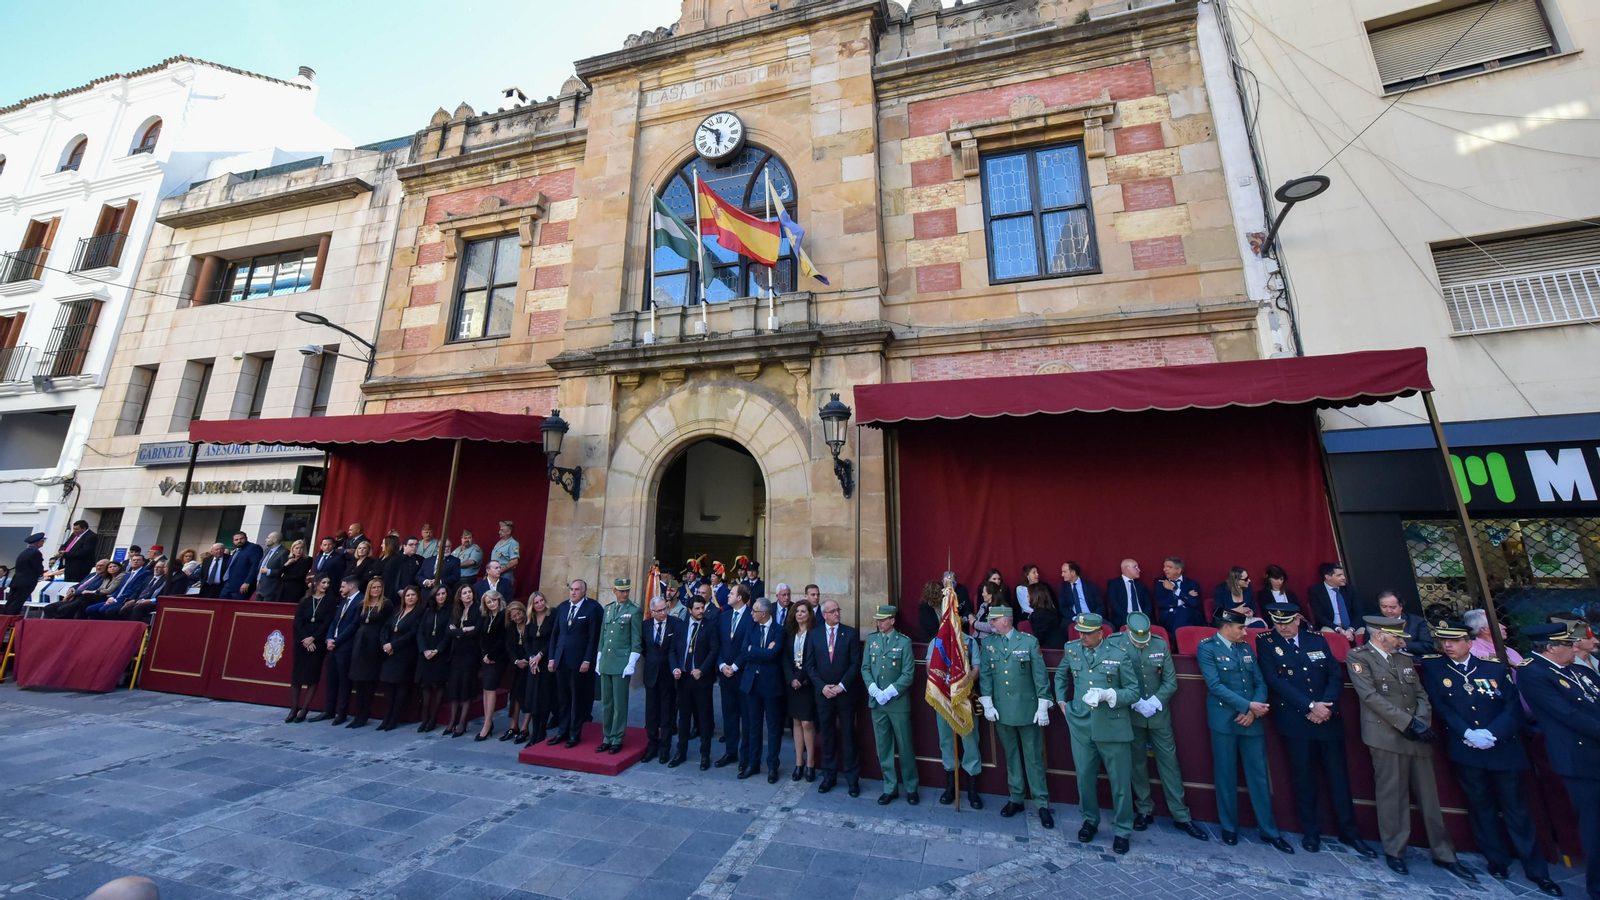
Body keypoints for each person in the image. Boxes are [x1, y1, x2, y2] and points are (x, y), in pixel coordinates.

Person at [1420, 620, 1559, 894]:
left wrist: (1492, 734)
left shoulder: (1493, 667)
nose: (1448, 645)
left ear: (1469, 643)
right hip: (1466, 746)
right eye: (1444, 641)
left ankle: (1536, 868)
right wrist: (1467, 733)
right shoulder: (1435, 668)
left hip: (1502, 747)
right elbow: (1442, 706)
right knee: (1480, 805)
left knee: (1516, 808)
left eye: (1454, 640)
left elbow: (1512, 707)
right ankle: (1496, 859)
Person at [1347, 615, 1473, 880]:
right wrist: (1408, 723)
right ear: (1379, 635)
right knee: (1392, 796)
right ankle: (1395, 851)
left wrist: (1421, 722)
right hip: (1386, 735)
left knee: (1430, 797)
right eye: (1396, 636)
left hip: (1417, 735)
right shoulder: (1359, 657)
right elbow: (1370, 696)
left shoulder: (1404, 659)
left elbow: (1420, 694)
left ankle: (1444, 853)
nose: (1400, 641)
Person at [1256, 602, 1374, 856]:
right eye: (1277, 623)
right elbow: (1274, 679)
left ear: (1298, 619)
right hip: (1297, 719)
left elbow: (1334, 675)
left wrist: (1326, 706)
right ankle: (1311, 831)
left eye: (1287, 622)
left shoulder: (1316, 640)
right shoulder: (1266, 642)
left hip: (1328, 718)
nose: (1282, 628)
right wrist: (1310, 706)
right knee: (1304, 779)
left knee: (1338, 778)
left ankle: (1349, 832)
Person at [1196, 608, 1293, 852]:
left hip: (1252, 719)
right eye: (1241, 628)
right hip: (1224, 720)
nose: (1245, 632)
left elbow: (1260, 682)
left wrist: (1253, 710)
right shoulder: (1207, 648)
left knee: (1259, 776)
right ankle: (1229, 827)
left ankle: (1269, 830)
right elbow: (1215, 685)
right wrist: (1247, 706)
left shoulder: (1246, 648)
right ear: (1226, 627)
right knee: (1225, 774)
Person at [1519, 622, 1600, 900]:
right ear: (1551, 648)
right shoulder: (1533, 672)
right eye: (1568, 645)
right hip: (1580, 758)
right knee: (1595, 825)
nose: (1575, 649)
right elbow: (1567, 715)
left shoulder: (1576, 670)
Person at [1113, 612, 1210, 841]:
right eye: (1137, 640)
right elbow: (1114, 679)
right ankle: (1144, 809)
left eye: (1144, 639)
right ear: (1128, 632)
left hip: (1158, 713)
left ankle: (1181, 814)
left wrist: (1155, 702)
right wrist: (1136, 702)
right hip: (1132, 713)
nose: (1142, 643)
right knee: (1137, 763)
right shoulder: (1115, 644)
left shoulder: (1159, 644)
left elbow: (1170, 681)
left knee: (1169, 762)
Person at [1055, 612, 1136, 846]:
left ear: (1101, 633)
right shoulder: (1072, 649)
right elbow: (1061, 675)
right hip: (1081, 723)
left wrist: (1110, 695)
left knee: (1120, 781)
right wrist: (1062, 701)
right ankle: (1089, 820)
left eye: (1088, 634)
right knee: (1084, 777)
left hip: (1112, 724)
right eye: (1080, 632)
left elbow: (1133, 691)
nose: (1082, 637)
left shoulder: (1118, 654)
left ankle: (1122, 829)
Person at [979, 605, 1053, 828]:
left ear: (1005, 620)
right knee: (1011, 756)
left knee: (1033, 758)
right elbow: (985, 675)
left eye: (994, 620)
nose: (991, 623)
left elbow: (1040, 676)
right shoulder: (989, 644)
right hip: (1002, 709)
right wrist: (987, 701)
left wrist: (1043, 703)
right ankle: (1016, 797)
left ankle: (1041, 803)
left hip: (1027, 709)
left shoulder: (1029, 642)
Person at [926, 592, 982, 809]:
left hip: (964, 698)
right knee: (946, 742)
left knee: (970, 741)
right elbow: (931, 670)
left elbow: (976, 669)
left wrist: (961, 685)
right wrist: (946, 688)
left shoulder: (970, 642)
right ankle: (951, 785)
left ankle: (973, 787)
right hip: (944, 699)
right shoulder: (936, 642)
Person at [862, 604, 917, 803]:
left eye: (883, 620)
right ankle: (890, 787)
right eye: (878, 620)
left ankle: (911, 786)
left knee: (905, 746)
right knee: (883, 747)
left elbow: (908, 673)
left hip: (897, 702)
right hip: (878, 702)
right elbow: (865, 668)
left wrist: (890, 692)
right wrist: (874, 690)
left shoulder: (903, 642)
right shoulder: (872, 640)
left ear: (892, 621)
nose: (879, 623)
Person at [806, 598, 861, 796]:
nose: (837, 613)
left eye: (838, 610)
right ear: (824, 615)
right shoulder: (815, 634)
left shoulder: (850, 633)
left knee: (848, 735)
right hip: (824, 695)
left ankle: (852, 779)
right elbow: (810, 665)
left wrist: (841, 686)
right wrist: (822, 687)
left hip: (844, 695)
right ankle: (829, 776)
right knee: (827, 735)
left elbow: (855, 664)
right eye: (833, 611)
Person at [548, 579, 602, 748]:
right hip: (562, 660)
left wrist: (588, 659)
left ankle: (574, 733)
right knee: (563, 698)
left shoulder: (592, 608)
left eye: (577, 589)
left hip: (579, 662)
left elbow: (593, 637)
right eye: (571, 589)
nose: (573, 592)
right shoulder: (563, 607)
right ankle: (562, 731)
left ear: (584, 591)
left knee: (577, 698)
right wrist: (552, 658)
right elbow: (555, 635)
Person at [735, 596, 784, 782]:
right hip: (752, 683)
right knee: (753, 725)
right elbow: (744, 652)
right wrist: (759, 651)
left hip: (771, 684)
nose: (751, 614)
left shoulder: (779, 630)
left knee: (773, 727)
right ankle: (752, 763)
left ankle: (772, 766)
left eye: (754, 611)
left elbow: (774, 654)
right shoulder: (752, 627)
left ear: (764, 613)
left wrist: (753, 650)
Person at [670, 594, 720, 769]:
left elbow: (714, 650)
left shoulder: (710, 626)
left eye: (702, 608)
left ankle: (705, 754)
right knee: (684, 717)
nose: (701, 611)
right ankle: (681, 751)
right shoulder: (681, 626)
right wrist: (675, 668)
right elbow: (673, 650)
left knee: (704, 718)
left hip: (701, 679)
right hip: (684, 678)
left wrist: (702, 670)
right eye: (697, 608)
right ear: (689, 610)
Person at [596, 577, 642, 754]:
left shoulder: (634, 610)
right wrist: (599, 657)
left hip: (621, 662)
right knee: (607, 702)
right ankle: (607, 736)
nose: (624, 594)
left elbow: (636, 639)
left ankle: (617, 737)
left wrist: (632, 662)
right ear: (614, 591)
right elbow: (603, 635)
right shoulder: (608, 609)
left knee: (619, 703)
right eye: (621, 590)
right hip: (607, 661)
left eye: (627, 590)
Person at [313, 575, 364, 724]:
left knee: (344, 681)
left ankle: (342, 713)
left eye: (343, 586)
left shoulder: (360, 601)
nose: (340, 589)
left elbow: (354, 625)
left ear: (351, 586)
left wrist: (337, 641)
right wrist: (329, 638)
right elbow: (334, 622)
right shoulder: (344, 601)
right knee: (331, 679)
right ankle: (329, 710)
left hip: (345, 646)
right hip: (333, 645)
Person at [714, 582, 753, 766]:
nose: (728, 595)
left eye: (731, 593)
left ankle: (746, 755)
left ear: (740, 597)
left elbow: (749, 645)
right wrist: (722, 665)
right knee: (729, 714)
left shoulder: (751, 617)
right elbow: (718, 643)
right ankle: (730, 751)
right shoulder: (724, 616)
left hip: (743, 674)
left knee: (747, 716)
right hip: (725, 675)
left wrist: (735, 666)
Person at [346, 578, 392, 729]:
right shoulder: (362, 604)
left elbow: (388, 625)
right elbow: (357, 623)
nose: (376, 590)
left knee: (369, 680)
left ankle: (365, 712)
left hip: (374, 644)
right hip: (360, 643)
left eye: (379, 587)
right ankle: (358, 713)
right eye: (374, 587)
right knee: (358, 680)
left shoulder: (386, 604)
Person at [376, 585, 423, 732]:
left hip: (404, 653)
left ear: (417, 597)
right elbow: (385, 628)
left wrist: (393, 645)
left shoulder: (419, 613)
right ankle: (386, 717)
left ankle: (394, 718)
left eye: (413, 595)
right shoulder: (397, 610)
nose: (410, 598)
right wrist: (385, 644)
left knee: (400, 686)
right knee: (389, 686)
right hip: (389, 653)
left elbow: (411, 634)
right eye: (407, 595)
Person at [641, 596, 681, 763]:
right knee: (651, 713)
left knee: (667, 712)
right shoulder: (645, 626)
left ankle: (665, 747)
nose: (663, 613)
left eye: (665, 609)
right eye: (659, 611)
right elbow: (643, 647)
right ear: (652, 612)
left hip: (668, 675)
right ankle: (652, 745)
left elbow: (678, 648)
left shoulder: (675, 624)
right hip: (651, 673)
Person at [782, 598, 818, 781]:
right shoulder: (790, 633)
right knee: (796, 722)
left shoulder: (814, 634)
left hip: (807, 683)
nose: (799, 614)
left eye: (803, 611)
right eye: (797, 611)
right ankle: (799, 763)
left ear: (809, 614)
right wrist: (791, 679)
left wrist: (801, 679)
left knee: (807, 723)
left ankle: (811, 763)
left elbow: (813, 660)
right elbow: (785, 658)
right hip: (792, 683)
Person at [414, 585, 454, 733]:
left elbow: (448, 634)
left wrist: (437, 650)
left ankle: (434, 718)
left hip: (440, 653)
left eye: (443, 593)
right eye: (438, 594)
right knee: (426, 686)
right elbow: (420, 632)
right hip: (426, 652)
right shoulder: (428, 611)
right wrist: (424, 649)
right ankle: (425, 717)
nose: (441, 596)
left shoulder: (451, 611)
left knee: (439, 685)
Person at [444, 582, 483, 737]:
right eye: (464, 593)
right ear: (459, 596)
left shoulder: (478, 609)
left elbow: (477, 630)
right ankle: (452, 721)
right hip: (456, 653)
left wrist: (459, 632)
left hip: (470, 653)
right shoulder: (457, 610)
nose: (467, 595)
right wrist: (464, 630)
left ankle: (462, 722)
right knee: (455, 687)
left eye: (469, 592)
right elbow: (448, 630)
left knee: (467, 687)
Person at [522, 592, 556, 746]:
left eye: (542, 600)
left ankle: (541, 731)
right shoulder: (530, 619)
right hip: (534, 663)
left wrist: (540, 655)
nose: (540, 604)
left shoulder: (552, 615)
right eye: (536, 602)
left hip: (547, 659)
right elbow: (527, 641)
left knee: (544, 696)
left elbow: (554, 638)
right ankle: (534, 732)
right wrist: (531, 657)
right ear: (532, 605)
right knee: (533, 697)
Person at [85, 553, 153, 619]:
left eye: (138, 560)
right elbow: (120, 588)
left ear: (143, 562)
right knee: (90, 609)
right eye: (134, 560)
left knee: (104, 610)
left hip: (125, 599)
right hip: (116, 598)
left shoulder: (144, 573)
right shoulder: (128, 574)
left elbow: (134, 590)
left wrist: (116, 600)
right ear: (130, 562)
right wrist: (112, 597)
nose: (135, 562)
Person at [502, 600, 531, 741]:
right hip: (516, 666)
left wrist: (525, 660)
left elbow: (533, 645)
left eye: (519, 614)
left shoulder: (530, 625)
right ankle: (513, 727)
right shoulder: (511, 628)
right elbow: (508, 647)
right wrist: (516, 661)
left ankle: (525, 728)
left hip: (529, 665)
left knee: (527, 695)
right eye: (513, 616)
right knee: (514, 695)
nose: (517, 618)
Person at [40, 558, 108, 618]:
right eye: (97, 565)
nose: (98, 567)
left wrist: (74, 592)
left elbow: (92, 587)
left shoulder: (104, 577)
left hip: (82, 597)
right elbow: (79, 584)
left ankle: (61, 622)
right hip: (73, 597)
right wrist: (72, 589)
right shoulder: (92, 575)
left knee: (63, 609)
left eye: (101, 566)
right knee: (48, 608)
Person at [1152, 557, 1203, 634]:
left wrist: (1174, 588)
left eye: (1169, 567)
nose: (1164, 569)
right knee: (1186, 621)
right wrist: (1184, 599)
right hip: (1169, 615)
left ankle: (1177, 639)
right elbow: (1161, 603)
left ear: (1178, 570)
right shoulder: (1160, 582)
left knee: (1183, 612)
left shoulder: (1191, 583)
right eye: (1164, 567)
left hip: (1190, 615)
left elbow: (1194, 602)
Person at [1308, 563, 1357, 639]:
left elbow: (1359, 613)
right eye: (1339, 575)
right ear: (1328, 577)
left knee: (1363, 633)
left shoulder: (1349, 589)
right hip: (1331, 626)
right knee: (1329, 635)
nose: (1344, 578)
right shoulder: (1316, 591)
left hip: (1351, 625)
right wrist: (1338, 629)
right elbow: (1319, 616)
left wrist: (1350, 630)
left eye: (1343, 575)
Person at [1376, 590, 1433, 656]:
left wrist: (1406, 645)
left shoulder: (1417, 621)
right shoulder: (1374, 621)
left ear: (1401, 606)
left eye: (1393, 607)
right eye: (1384, 607)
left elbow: (1428, 647)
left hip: (1410, 659)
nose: (1388, 611)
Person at [1105, 559, 1151, 630]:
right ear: (1126, 568)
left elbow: (1148, 605)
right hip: (1123, 619)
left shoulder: (1141, 585)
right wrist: (1130, 619)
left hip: (1142, 619)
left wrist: (1144, 617)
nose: (1139, 570)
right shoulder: (1114, 584)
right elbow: (1114, 604)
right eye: (1135, 567)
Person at [221, 531, 263, 600]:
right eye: (236, 540)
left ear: (246, 538)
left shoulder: (254, 548)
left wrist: (247, 582)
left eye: (241, 539)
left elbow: (255, 566)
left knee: (237, 605)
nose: (239, 541)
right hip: (228, 584)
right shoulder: (236, 550)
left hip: (242, 585)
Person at [383, 536, 423, 602]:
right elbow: (388, 578)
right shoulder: (394, 560)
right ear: (404, 546)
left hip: (415, 595)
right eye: (411, 545)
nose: (414, 547)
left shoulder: (421, 560)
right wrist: (398, 590)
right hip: (396, 596)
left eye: (416, 545)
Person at [1027, 583, 1064, 649]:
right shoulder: (1053, 612)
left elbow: (1040, 638)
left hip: (1050, 650)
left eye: (1029, 594)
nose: (1027, 596)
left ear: (1034, 596)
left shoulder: (1039, 615)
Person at [278, 540, 312, 606]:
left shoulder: (307, 560)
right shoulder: (288, 559)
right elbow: (278, 574)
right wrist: (286, 565)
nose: (299, 550)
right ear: (292, 549)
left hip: (296, 589)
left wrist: (285, 577)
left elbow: (300, 576)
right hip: (284, 589)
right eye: (297, 548)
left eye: (301, 548)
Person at [256, 532, 287, 602]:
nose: (266, 540)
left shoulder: (284, 552)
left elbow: (284, 571)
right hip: (260, 587)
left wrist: (269, 571)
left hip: (271, 589)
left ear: (275, 540)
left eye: (268, 538)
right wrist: (258, 578)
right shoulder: (267, 550)